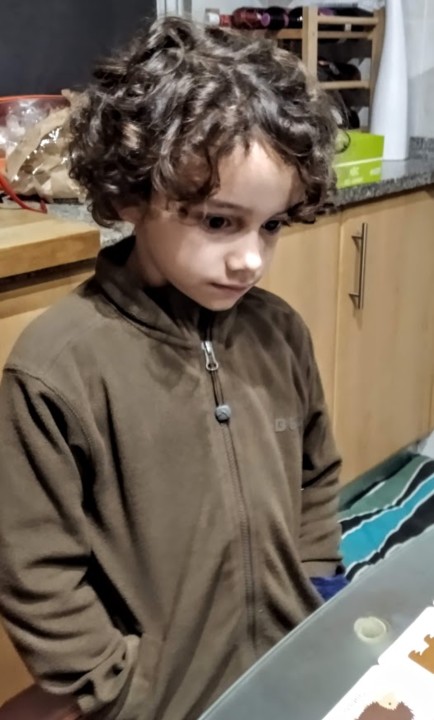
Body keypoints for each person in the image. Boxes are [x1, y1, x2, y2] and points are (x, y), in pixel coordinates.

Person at [0, 15, 346, 720]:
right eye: (219, 221)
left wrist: (316, 584)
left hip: (291, 667)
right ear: (131, 195)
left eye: (271, 225)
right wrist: (118, 689)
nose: (250, 259)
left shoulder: (280, 331)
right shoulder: (58, 367)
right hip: (160, 703)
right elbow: (34, 569)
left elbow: (316, 474)